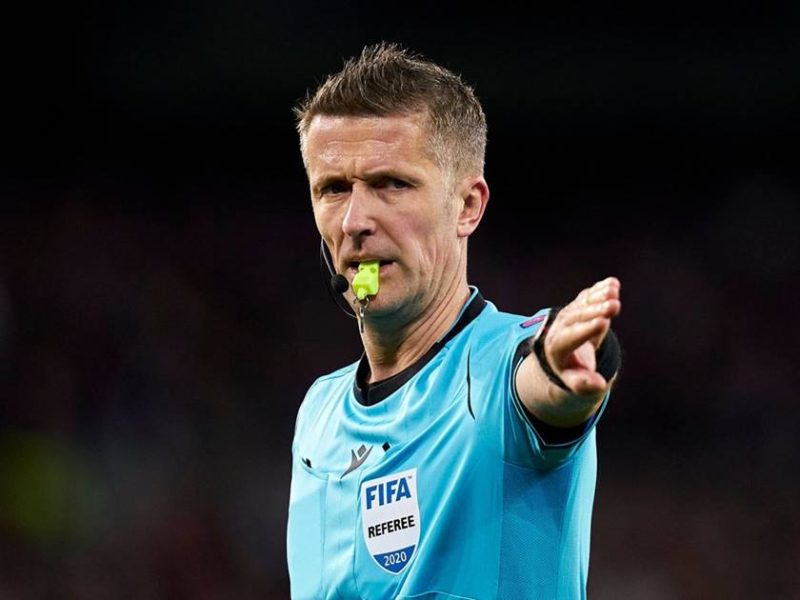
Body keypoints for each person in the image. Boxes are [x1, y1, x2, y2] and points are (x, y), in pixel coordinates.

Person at [286, 42, 622, 600]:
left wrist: (561, 365)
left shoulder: (498, 372)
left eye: (392, 184)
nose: (355, 221)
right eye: (334, 189)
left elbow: (541, 384)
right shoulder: (317, 414)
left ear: (467, 206)